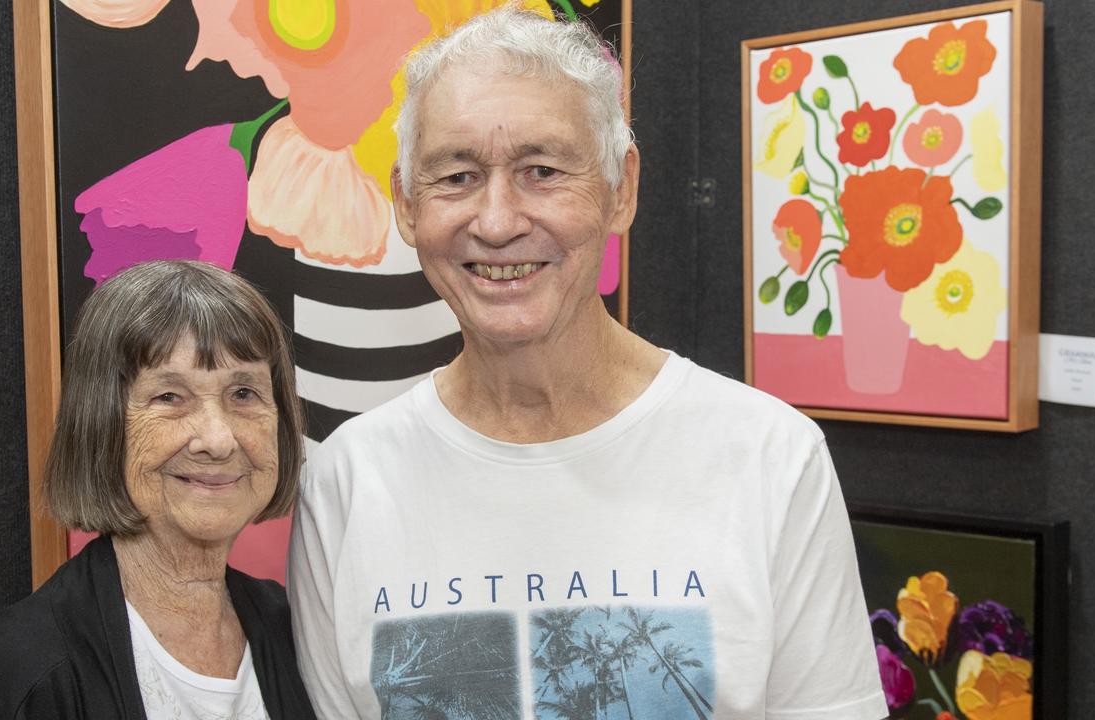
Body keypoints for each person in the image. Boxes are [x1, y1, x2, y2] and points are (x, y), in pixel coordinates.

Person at [288, 8, 888, 720]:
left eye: (542, 170)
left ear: (621, 188)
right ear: (407, 206)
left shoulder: (767, 457)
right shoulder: (347, 483)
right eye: (457, 175)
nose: (498, 219)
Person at [0, 261, 315, 719]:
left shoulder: (293, 626)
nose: (218, 439)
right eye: (169, 397)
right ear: (101, 423)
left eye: (243, 393)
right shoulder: (31, 663)